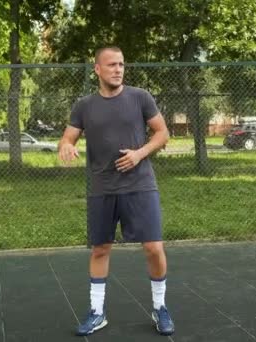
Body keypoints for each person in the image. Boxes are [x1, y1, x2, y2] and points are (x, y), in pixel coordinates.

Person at [58, 46, 175, 336]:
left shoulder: (140, 97)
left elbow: (162, 133)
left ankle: (160, 307)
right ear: (97, 69)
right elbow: (67, 137)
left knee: (153, 247)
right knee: (100, 249)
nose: (118, 69)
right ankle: (97, 313)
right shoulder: (84, 105)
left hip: (140, 185)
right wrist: (67, 146)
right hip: (102, 188)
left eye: (121, 64)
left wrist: (139, 153)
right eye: (111, 65)